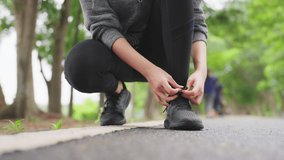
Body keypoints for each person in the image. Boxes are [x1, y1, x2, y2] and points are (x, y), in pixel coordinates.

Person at [64, 0, 208, 130]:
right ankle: (117, 93)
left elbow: (196, 21)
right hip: (120, 55)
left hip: (167, 52)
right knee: (78, 65)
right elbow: (102, 26)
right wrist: (149, 70)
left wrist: (201, 70)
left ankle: (178, 100)